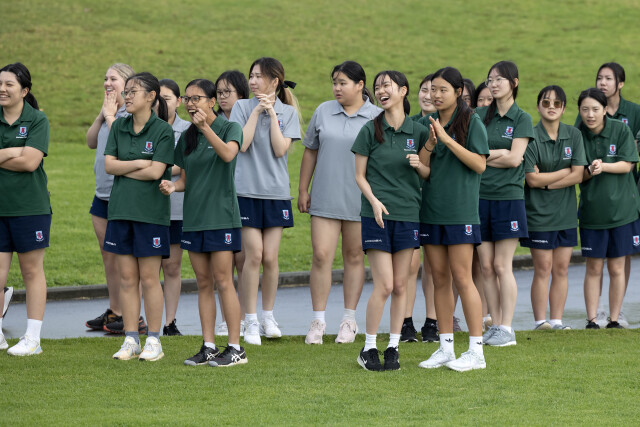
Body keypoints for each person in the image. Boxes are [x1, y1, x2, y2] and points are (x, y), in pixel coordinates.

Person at [160, 78, 247, 366]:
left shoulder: (229, 128)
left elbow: (228, 155)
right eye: (187, 98)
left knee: (224, 280)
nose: (190, 103)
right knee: (203, 282)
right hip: (194, 219)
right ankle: (209, 345)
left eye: (196, 98)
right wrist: (173, 186)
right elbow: (185, 178)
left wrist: (205, 128)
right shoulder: (188, 136)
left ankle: (235, 348)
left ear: (212, 102)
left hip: (221, 217)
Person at [299, 61, 381, 345]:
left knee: (355, 257)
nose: (337, 88)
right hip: (325, 196)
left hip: (360, 200)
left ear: (360, 85)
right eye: (334, 82)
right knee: (321, 255)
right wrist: (303, 189)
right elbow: (310, 151)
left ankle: (349, 320)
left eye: (343, 82)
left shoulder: (376, 116)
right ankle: (318, 321)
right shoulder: (323, 111)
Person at [413, 67, 489, 372]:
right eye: (432, 89)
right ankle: (446, 348)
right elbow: (423, 169)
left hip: (461, 212)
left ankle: (476, 351)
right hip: (431, 210)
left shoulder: (472, 122)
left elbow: (480, 164)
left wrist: (446, 139)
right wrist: (430, 144)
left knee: (462, 277)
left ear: (458, 92)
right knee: (439, 278)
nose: (435, 95)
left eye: (442, 89)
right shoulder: (425, 123)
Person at [351, 70, 428, 371]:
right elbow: (359, 175)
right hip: (376, 215)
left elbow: (428, 173)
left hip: (408, 214)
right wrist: (373, 201)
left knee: (400, 285)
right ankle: (369, 347)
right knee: (383, 284)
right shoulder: (370, 130)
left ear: (403, 91)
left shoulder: (419, 131)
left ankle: (393, 347)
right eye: (378, 87)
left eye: (387, 86)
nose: (381, 91)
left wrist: (420, 164)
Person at [230, 57, 301, 346]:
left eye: (259, 76)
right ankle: (250, 320)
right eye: (251, 76)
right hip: (246, 192)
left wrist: (271, 114)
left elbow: (280, 149)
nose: (253, 81)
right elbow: (242, 144)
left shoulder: (288, 112)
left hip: (276, 194)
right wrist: (257, 110)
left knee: (270, 257)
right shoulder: (240, 107)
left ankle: (268, 317)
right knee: (254, 255)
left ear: (275, 81)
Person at [104, 72, 174, 361]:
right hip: (121, 211)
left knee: (149, 278)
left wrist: (128, 166)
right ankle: (131, 339)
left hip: (151, 215)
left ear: (151, 96)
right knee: (127, 278)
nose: (127, 96)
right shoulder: (119, 126)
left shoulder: (163, 131)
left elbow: (156, 172)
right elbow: (109, 166)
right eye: (127, 92)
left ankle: (153, 340)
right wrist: (140, 163)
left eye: (133, 91)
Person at [575, 62, 640, 328]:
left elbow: (628, 164)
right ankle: (592, 319)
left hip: (622, 211)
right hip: (592, 213)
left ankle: (614, 318)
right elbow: (577, 172)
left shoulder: (621, 129)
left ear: (605, 110)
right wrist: (590, 171)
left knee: (616, 267)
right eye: (585, 109)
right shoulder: (577, 134)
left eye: (595, 109)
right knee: (593, 267)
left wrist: (603, 166)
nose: (590, 115)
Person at [85, 63, 148, 334]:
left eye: (113, 79)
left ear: (127, 84)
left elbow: (126, 146)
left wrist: (111, 116)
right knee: (109, 257)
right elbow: (91, 141)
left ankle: (136, 317)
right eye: (105, 78)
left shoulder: (131, 112)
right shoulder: (108, 111)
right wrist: (102, 114)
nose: (107, 83)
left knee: (128, 259)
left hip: (123, 195)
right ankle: (115, 310)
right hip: (102, 195)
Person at [475, 61, 534, 347]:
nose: (494, 84)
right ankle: (496, 325)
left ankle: (507, 329)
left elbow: (514, 159)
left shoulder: (522, 118)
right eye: (490, 79)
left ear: (514, 82)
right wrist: (498, 153)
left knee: (501, 265)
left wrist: (487, 156)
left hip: (508, 199)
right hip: (479, 197)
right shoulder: (478, 116)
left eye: (500, 79)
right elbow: (473, 154)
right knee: (486, 266)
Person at [522, 86, 586, 330]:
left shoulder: (574, 135)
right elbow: (532, 180)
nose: (551, 107)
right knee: (543, 268)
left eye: (557, 103)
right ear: (538, 106)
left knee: (561, 268)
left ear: (563, 108)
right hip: (538, 215)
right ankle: (541, 322)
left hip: (566, 214)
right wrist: (563, 172)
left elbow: (578, 175)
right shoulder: (530, 137)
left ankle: (557, 321)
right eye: (546, 102)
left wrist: (546, 182)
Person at [0, 63, 50, 355]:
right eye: (0, 84)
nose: (2, 89)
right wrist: (13, 151)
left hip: (30, 208)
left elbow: (31, 162)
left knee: (31, 271)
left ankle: (33, 338)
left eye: (9, 84)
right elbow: (23, 156)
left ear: (24, 90)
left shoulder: (37, 119)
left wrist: (3, 154)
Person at [212, 70, 250, 337]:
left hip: (244, 194)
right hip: (218, 197)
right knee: (223, 265)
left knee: (244, 260)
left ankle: (246, 316)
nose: (223, 97)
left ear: (241, 94)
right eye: (219, 92)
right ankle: (226, 319)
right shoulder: (211, 122)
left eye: (228, 92)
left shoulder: (245, 120)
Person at [404, 73, 438, 343]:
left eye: (433, 90)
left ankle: (432, 322)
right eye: (423, 90)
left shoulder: (448, 125)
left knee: (435, 266)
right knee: (410, 264)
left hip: (439, 202)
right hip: (412, 202)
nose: (428, 96)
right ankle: (406, 322)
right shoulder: (409, 125)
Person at [157, 78, 190, 336]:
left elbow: (187, 163)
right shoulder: (146, 126)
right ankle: (145, 321)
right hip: (147, 208)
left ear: (178, 101)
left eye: (167, 98)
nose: (162, 104)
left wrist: (155, 168)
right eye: (158, 98)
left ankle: (169, 322)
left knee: (172, 267)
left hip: (177, 208)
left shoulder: (188, 130)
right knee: (147, 269)